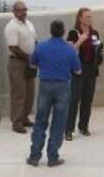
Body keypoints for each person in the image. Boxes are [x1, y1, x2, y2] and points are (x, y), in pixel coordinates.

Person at [27, 19, 82, 167]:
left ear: (51, 31)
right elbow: (78, 70)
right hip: (63, 87)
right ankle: (53, 157)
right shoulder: (69, 49)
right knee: (58, 123)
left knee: (40, 121)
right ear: (63, 32)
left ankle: (34, 156)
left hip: (45, 85)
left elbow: (32, 63)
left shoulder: (41, 46)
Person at [65, 7, 102, 140]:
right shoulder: (73, 33)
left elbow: (99, 48)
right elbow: (69, 52)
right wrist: (80, 41)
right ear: (80, 18)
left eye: (91, 16)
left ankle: (84, 126)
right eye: (87, 16)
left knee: (87, 100)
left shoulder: (95, 33)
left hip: (91, 70)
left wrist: (99, 57)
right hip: (78, 70)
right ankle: (69, 130)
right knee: (73, 100)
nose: (90, 19)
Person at [4, 0, 37, 133]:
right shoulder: (11, 27)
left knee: (30, 92)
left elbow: (34, 40)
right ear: (14, 11)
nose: (23, 12)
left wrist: (36, 55)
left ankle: (25, 117)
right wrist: (29, 57)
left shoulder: (29, 24)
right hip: (17, 63)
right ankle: (16, 122)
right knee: (19, 93)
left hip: (30, 62)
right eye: (20, 10)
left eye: (25, 10)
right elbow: (13, 47)